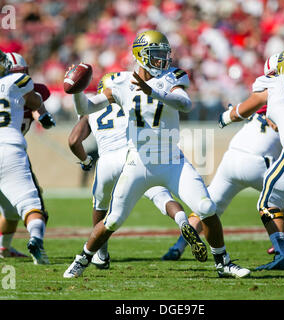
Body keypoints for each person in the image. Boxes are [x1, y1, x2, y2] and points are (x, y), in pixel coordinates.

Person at [63, 30, 250, 278]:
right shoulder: (119, 81)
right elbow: (88, 107)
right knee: (114, 219)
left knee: (206, 206)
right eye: (156, 54)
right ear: (141, 55)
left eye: (164, 53)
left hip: (172, 160)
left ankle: (223, 262)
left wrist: (152, 91)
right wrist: (76, 90)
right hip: (138, 162)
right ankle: (82, 259)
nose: (163, 59)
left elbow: (185, 103)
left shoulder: (173, 77)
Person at [162, 53, 284, 262]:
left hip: (233, 157)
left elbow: (245, 110)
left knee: (208, 206)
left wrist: (227, 116)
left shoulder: (272, 90)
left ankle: (177, 246)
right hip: (261, 161)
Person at [68, 72, 208, 269]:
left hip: (107, 160)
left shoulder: (94, 106)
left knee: (103, 208)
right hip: (132, 154)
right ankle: (181, 220)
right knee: (160, 194)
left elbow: (74, 140)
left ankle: (101, 253)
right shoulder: (131, 96)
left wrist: (86, 160)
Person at [219, 47, 284, 270]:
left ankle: (283, 255)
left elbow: (243, 111)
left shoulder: (274, 82)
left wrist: (225, 117)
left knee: (268, 202)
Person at [0, 52, 55, 260]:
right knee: (32, 204)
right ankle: (36, 242)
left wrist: (41, 114)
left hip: (11, 147)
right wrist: (41, 114)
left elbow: (32, 104)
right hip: (11, 148)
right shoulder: (20, 84)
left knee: (11, 210)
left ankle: (4, 248)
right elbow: (33, 100)